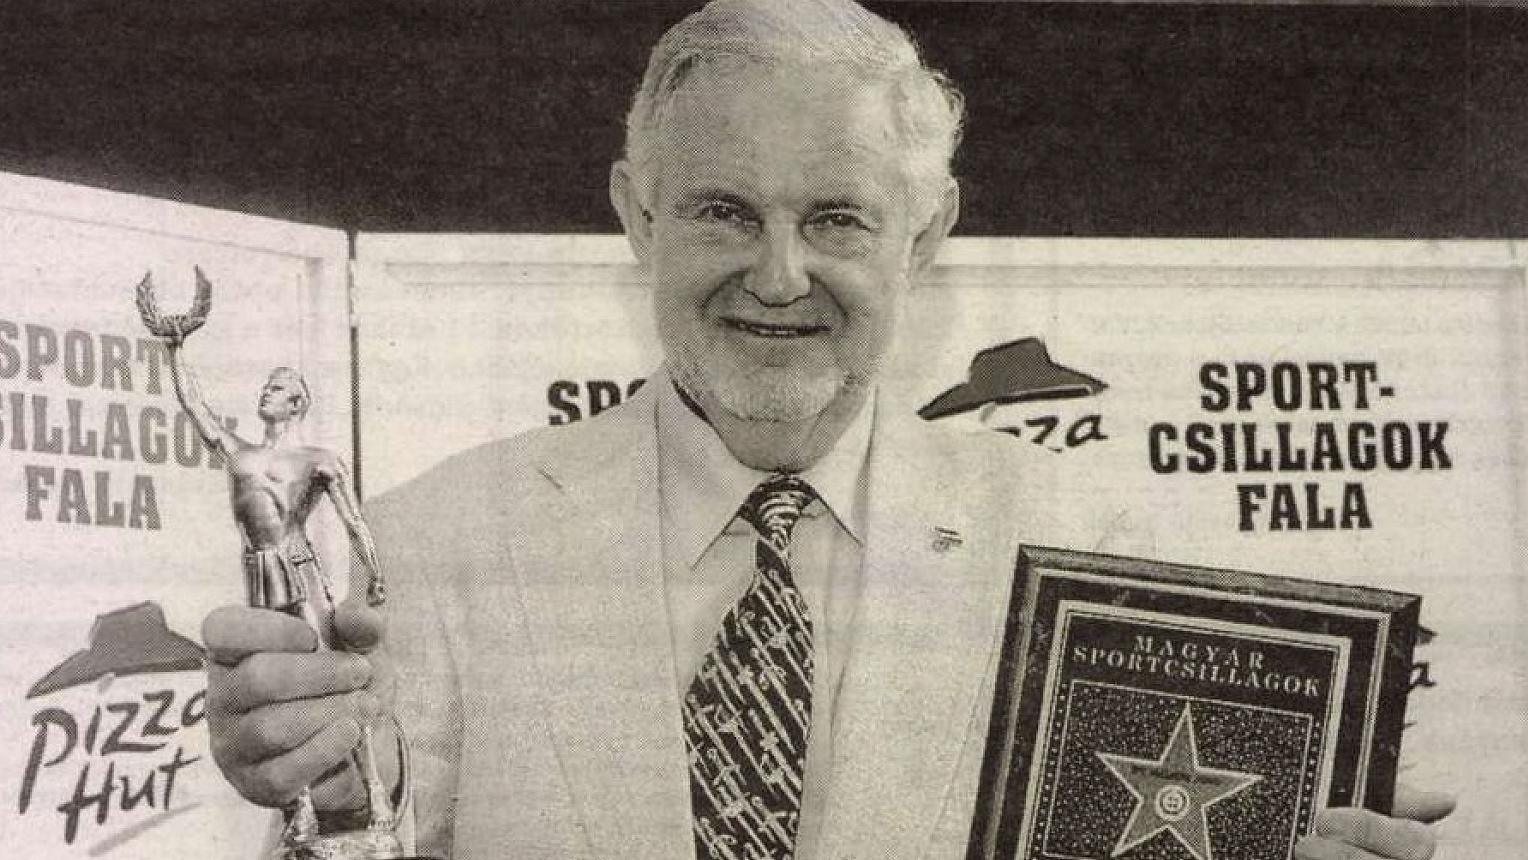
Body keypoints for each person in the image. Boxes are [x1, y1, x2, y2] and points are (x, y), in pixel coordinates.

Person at [200, 2, 1455, 859]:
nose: (779, 274)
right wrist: (315, 795)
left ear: (926, 233)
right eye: (724, 211)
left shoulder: (1098, 562)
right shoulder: (432, 549)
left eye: (838, 219)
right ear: (637, 216)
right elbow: (346, 836)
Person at [136, 273, 396, 850]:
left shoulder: (319, 459)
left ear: (297, 402)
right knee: (278, 698)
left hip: (301, 569)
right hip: (259, 573)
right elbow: (195, 406)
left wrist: (375, 573)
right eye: (266, 385)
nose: (267, 393)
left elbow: (354, 520)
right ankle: (301, 813)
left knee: (331, 689)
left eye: (278, 387)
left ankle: (376, 793)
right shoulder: (242, 454)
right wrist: (176, 349)